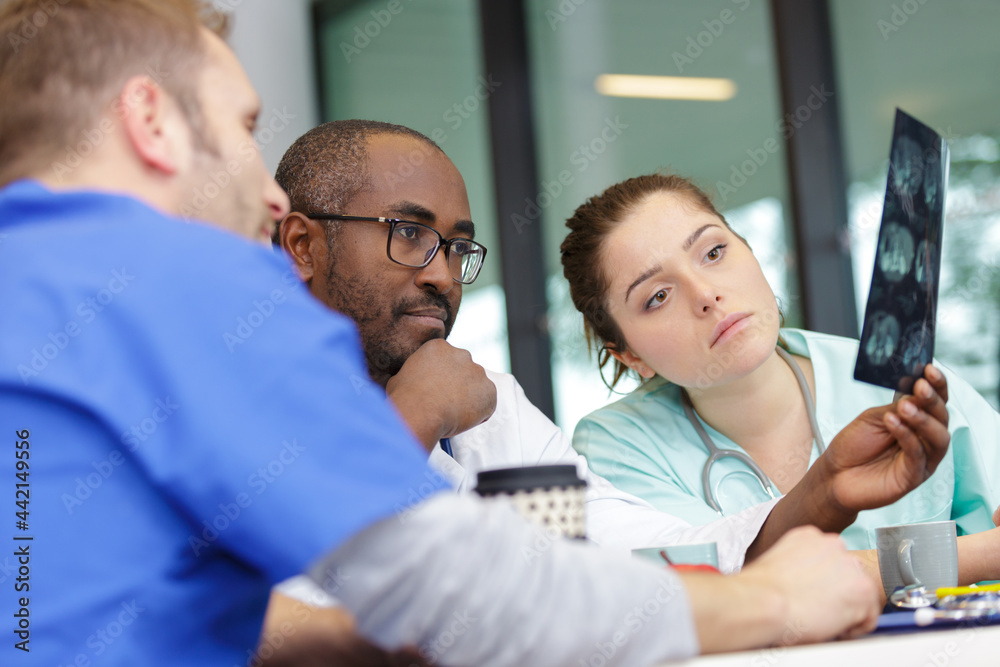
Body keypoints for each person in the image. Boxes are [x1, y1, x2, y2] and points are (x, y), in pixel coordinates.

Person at [0, 2, 916, 664]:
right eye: (242, 127)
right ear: (152, 120)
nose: (269, 191)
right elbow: (461, 593)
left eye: (458, 247)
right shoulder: (186, 288)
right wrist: (772, 602)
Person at [560, 172, 1000, 585]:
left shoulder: (898, 378)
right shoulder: (615, 447)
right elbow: (728, 592)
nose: (706, 295)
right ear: (631, 355)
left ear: (750, 249)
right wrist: (979, 555)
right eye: (657, 296)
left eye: (714, 253)